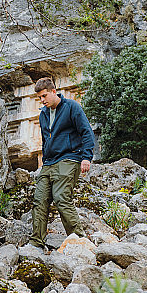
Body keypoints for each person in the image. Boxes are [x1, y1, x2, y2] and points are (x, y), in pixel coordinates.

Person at [28, 76, 95, 248]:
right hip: (49, 163)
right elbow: (45, 140)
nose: (42, 100)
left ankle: (79, 241)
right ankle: (36, 243)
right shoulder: (43, 114)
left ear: (53, 91)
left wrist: (86, 157)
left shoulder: (71, 107)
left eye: (44, 96)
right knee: (39, 200)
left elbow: (86, 132)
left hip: (69, 158)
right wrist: (45, 160)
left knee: (61, 198)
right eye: (39, 98)